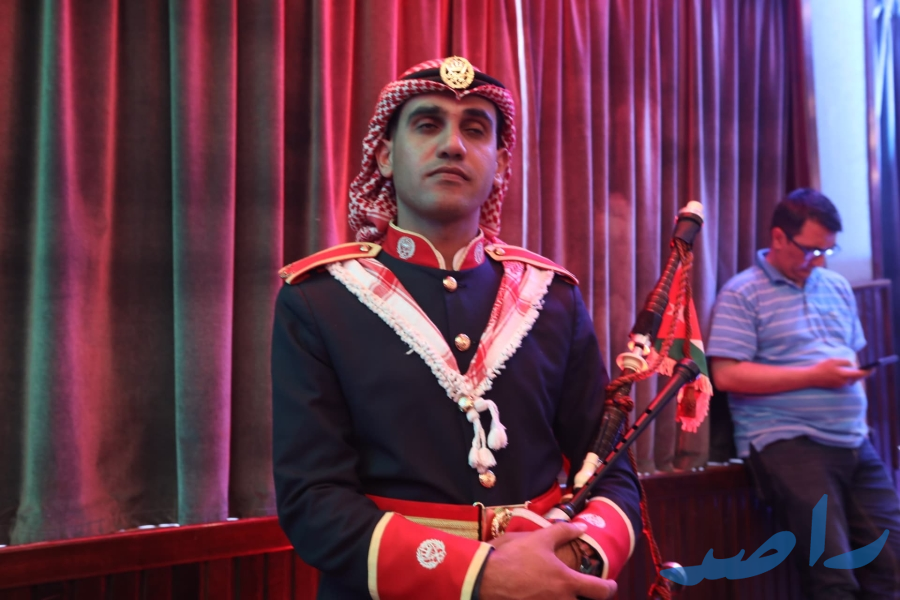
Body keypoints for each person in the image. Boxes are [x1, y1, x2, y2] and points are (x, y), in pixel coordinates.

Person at [271, 56, 641, 600]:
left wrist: (574, 556)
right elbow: (313, 500)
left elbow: (609, 468)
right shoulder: (320, 298)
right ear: (385, 155)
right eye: (427, 125)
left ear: (499, 162)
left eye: (475, 129)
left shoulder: (551, 297)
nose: (452, 145)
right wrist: (483, 575)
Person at [707, 188, 900, 598]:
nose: (818, 261)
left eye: (826, 251)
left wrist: (845, 381)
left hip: (853, 439)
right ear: (779, 237)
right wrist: (814, 376)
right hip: (788, 441)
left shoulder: (837, 286)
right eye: (811, 250)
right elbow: (725, 376)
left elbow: (848, 356)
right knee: (833, 577)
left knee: (893, 566)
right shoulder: (742, 292)